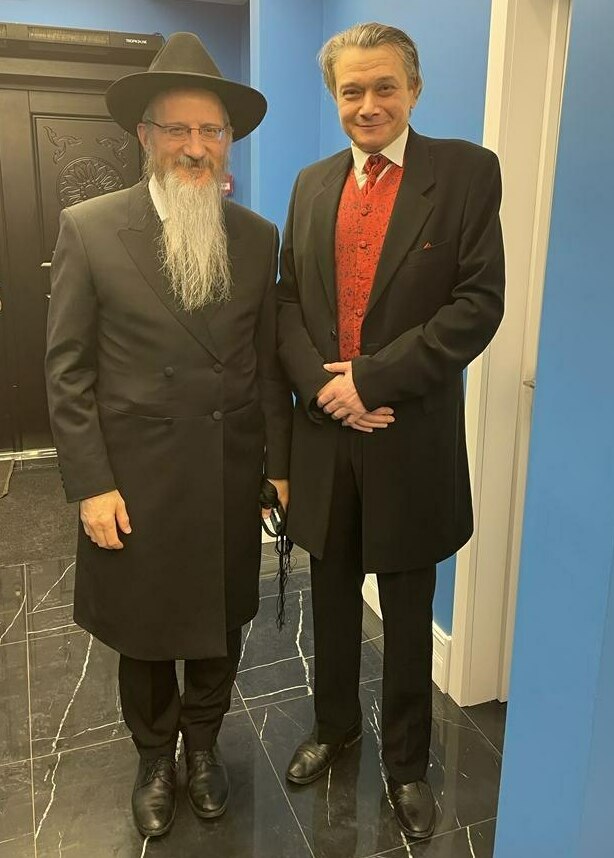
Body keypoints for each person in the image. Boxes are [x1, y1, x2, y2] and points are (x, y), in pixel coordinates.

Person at [45, 32, 292, 839]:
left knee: (220, 623)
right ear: (145, 136)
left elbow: (265, 364)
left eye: (210, 130)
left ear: (228, 139)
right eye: (177, 128)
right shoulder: (89, 228)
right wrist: (90, 484)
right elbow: (67, 371)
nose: (195, 145)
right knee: (145, 632)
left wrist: (278, 465)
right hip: (134, 477)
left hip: (225, 469)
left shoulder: (256, 236)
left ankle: (204, 746)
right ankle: (155, 756)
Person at [277, 22, 504, 840]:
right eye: (352, 90)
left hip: (409, 431)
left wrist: (369, 380)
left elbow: (477, 305)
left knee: (408, 608)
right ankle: (334, 726)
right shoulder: (310, 184)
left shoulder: (466, 172)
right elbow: (287, 304)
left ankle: (407, 765)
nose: (368, 104)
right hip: (325, 432)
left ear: (414, 89)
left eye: (384, 87)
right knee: (331, 592)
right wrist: (325, 390)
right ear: (334, 96)